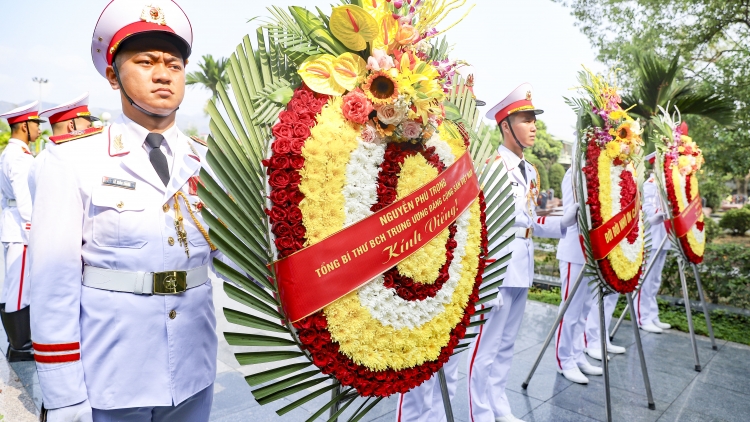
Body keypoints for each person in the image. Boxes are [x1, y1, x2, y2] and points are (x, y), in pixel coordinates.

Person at [29, 1, 225, 420]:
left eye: (174, 64)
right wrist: (64, 398)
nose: (162, 74)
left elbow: (235, 260)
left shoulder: (209, 162)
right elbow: (53, 287)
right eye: (146, 61)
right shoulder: (74, 161)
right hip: (113, 375)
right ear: (113, 76)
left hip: (193, 368)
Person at [466, 83, 578, 422]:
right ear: (505, 126)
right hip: (497, 269)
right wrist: (485, 274)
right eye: (525, 119)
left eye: (534, 119)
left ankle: (499, 403)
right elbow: (479, 223)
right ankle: (480, 413)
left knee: (505, 346)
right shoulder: (490, 165)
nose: (533, 126)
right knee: (484, 350)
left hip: (522, 266)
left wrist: (566, 218)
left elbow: (530, 221)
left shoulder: (530, 170)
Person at [0, 101, 43, 362]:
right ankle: (20, 346)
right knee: (18, 289)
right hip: (20, 227)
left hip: (12, 222)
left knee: (12, 286)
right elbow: (23, 196)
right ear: (25, 126)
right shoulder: (19, 156)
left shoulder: (10, 152)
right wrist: (32, 227)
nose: (39, 129)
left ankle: (16, 343)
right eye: (36, 124)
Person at [553, 167, 603, 384]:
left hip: (593, 251)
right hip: (575, 250)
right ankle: (564, 360)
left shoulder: (599, 169)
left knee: (584, 310)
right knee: (571, 311)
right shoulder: (575, 172)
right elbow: (573, 213)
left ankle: (577, 353)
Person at [31, 93, 101, 201]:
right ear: (72, 126)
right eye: (88, 127)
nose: (90, 131)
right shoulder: (65, 160)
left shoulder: (40, 159)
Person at [636, 152, 672, 333]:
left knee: (655, 281)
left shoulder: (667, 186)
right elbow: (648, 211)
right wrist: (659, 216)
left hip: (664, 238)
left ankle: (652, 315)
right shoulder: (650, 185)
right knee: (645, 280)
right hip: (651, 238)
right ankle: (642, 317)